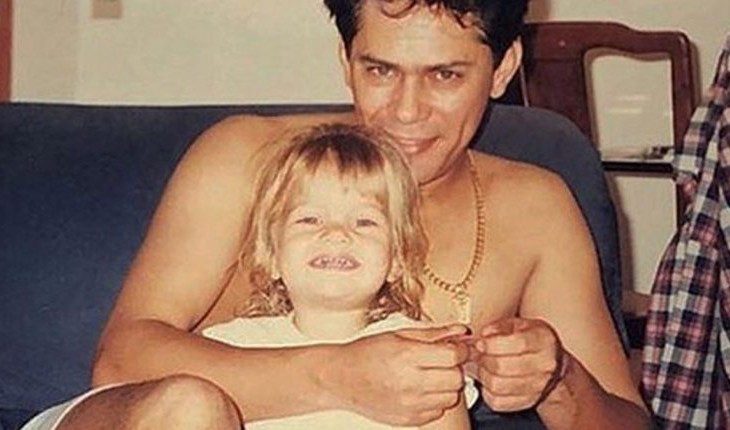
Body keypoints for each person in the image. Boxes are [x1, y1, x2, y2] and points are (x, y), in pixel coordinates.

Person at [23, 1, 650, 429]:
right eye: (380, 70)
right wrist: (337, 375)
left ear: (503, 69)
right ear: (344, 60)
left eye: (444, 75)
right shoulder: (246, 157)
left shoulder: (535, 208)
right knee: (191, 409)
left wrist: (559, 381)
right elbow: (121, 361)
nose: (406, 111)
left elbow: (627, 420)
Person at [203, 123, 474, 429]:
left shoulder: (422, 355)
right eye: (309, 219)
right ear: (272, 256)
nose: (336, 233)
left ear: (396, 260)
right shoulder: (234, 348)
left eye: (364, 222)